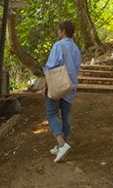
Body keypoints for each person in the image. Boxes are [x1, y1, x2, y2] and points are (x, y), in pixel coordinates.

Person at [43, 20, 82, 163]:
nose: (57, 32)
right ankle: (62, 145)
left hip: (57, 84)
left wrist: (45, 86)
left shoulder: (58, 45)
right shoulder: (76, 48)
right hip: (70, 85)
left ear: (63, 31)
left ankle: (61, 144)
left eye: (58, 30)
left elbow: (50, 67)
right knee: (66, 114)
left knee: (51, 113)